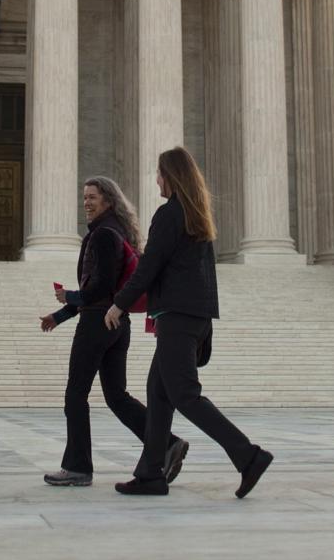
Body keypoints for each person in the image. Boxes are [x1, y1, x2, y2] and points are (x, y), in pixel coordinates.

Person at [106, 146, 272, 499]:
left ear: (171, 176)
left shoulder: (169, 215)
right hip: (193, 317)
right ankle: (150, 473)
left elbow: (149, 266)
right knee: (159, 393)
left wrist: (119, 304)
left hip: (176, 317)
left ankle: (248, 455)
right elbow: (205, 277)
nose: (156, 180)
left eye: (159, 173)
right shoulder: (197, 216)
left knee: (185, 395)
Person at [40, 176, 183, 488]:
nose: (86, 203)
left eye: (92, 197)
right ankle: (167, 442)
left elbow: (100, 288)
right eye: (85, 197)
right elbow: (106, 288)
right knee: (116, 396)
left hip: (97, 324)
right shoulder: (117, 232)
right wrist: (60, 315)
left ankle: (77, 467)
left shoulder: (104, 235)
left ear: (108, 199)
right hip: (117, 324)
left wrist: (71, 298)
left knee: (75, 394)